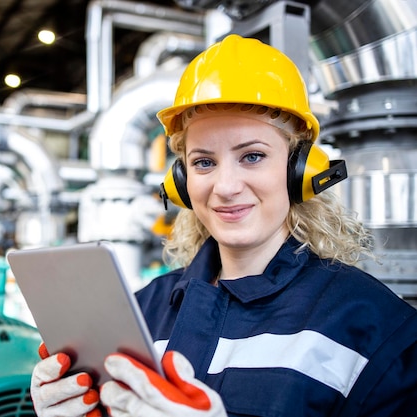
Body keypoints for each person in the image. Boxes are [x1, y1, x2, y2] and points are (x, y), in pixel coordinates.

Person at [29, 34, 417, 417]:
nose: (226, 187)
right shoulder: (143, 311)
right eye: (203, 162)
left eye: (251, 156)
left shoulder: (373, 326)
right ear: (180, 182)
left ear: (299, 168)